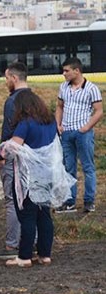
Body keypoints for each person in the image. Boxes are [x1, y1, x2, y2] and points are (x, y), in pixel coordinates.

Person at [0, 91, 71, 267]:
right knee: (44, 214)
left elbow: (13, 147)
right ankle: (45, 254)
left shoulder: (25, 124)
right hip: (48, 174)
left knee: (27, 215)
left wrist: (1, 152)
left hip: (28, 176)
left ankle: (24, 257)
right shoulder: (50, 122)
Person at [0, 62, 29, 260]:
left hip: (13, 155)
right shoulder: (33, 98)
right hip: (30, 157)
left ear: (14, 78)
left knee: (12, 200)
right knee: (28, 199)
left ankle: (12, 244)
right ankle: (30, 240)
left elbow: (9, 131)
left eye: (6, 78)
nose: (6, 82)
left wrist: (2, 155)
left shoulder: (12, 101)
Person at [55, 57, 103, 213]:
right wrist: (58, 125)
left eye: (67, 70)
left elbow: (99, 110)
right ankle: (70, 201)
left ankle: (89, 201)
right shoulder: (63, 87)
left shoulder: (91, 88)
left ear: (77, 71)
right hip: (67, 132)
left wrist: (86, 127)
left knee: (87, 166)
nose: (64, 74)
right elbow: (59, 106)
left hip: (83, 133)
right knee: (69, 167)